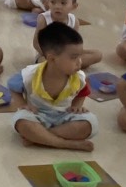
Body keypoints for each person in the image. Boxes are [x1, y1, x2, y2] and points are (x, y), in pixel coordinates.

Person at [13, 22, 96, 151]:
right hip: (37, 115)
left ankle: (39, 137)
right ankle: (66, 144)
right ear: (52, 59)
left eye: (80, 56)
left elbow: (83, 91)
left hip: (64, 116)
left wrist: (77, 106)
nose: (79, 62)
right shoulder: (30, 74)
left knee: (90, 123)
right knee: (21, 121)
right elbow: (13, 87)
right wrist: (23, 105)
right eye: (74, 58)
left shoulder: (78, 77)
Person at [34, 0, 101, 69]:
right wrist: (50, 56)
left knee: (97, 54)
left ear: (74, 6)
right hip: (47, 55)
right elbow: (36, 43)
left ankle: (65, 66)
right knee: (43, 62)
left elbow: (75, 44)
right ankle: (65, 67)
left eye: (63, 3)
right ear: (48, 2)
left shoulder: (74, 21)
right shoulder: (44, 19)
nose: (57, 6)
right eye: (53, 2)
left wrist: (72, 56)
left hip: (67, 55)